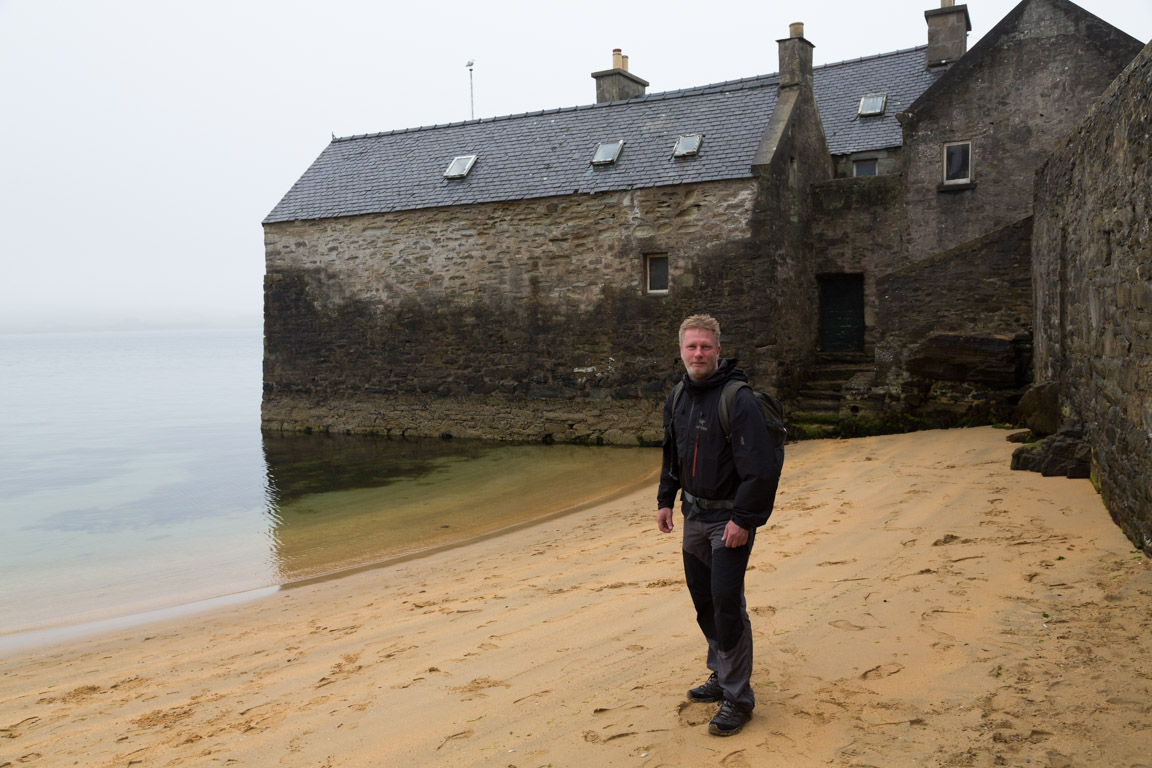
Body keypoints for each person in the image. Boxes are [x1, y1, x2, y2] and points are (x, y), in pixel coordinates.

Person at [657, 314, 784, 737]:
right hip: (694, 517)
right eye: (691, 347)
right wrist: (664, 501)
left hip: (728, 520)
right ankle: (720, 671)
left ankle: (738, 698)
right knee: (704, 602)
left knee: (727, 602)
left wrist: (743, 520)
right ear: (681, 350)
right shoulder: (677, 396)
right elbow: (672, 455)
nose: (698, 354)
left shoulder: (738, 398)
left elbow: (761, 469)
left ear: (717, 350)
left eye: (705, 347)